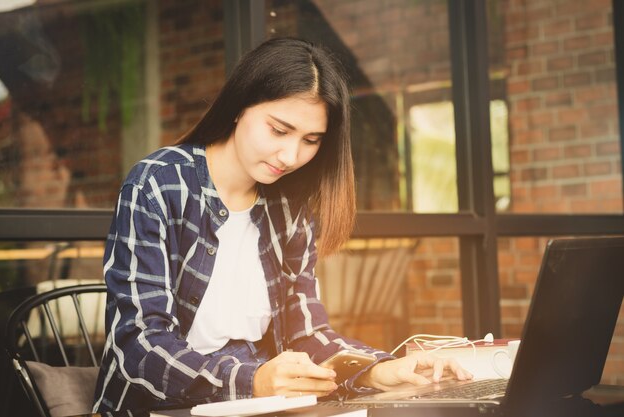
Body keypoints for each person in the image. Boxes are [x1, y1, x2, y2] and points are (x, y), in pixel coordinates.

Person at [92, 37, 471, 413]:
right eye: (278, 130)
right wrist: (251, 381)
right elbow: (140, 344)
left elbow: (306, 334)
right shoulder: (159, 185)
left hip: (258, 406)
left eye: (311, 140)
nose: (290, 156)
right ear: (240, 107)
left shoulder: (289, 207)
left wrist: (380, 369)